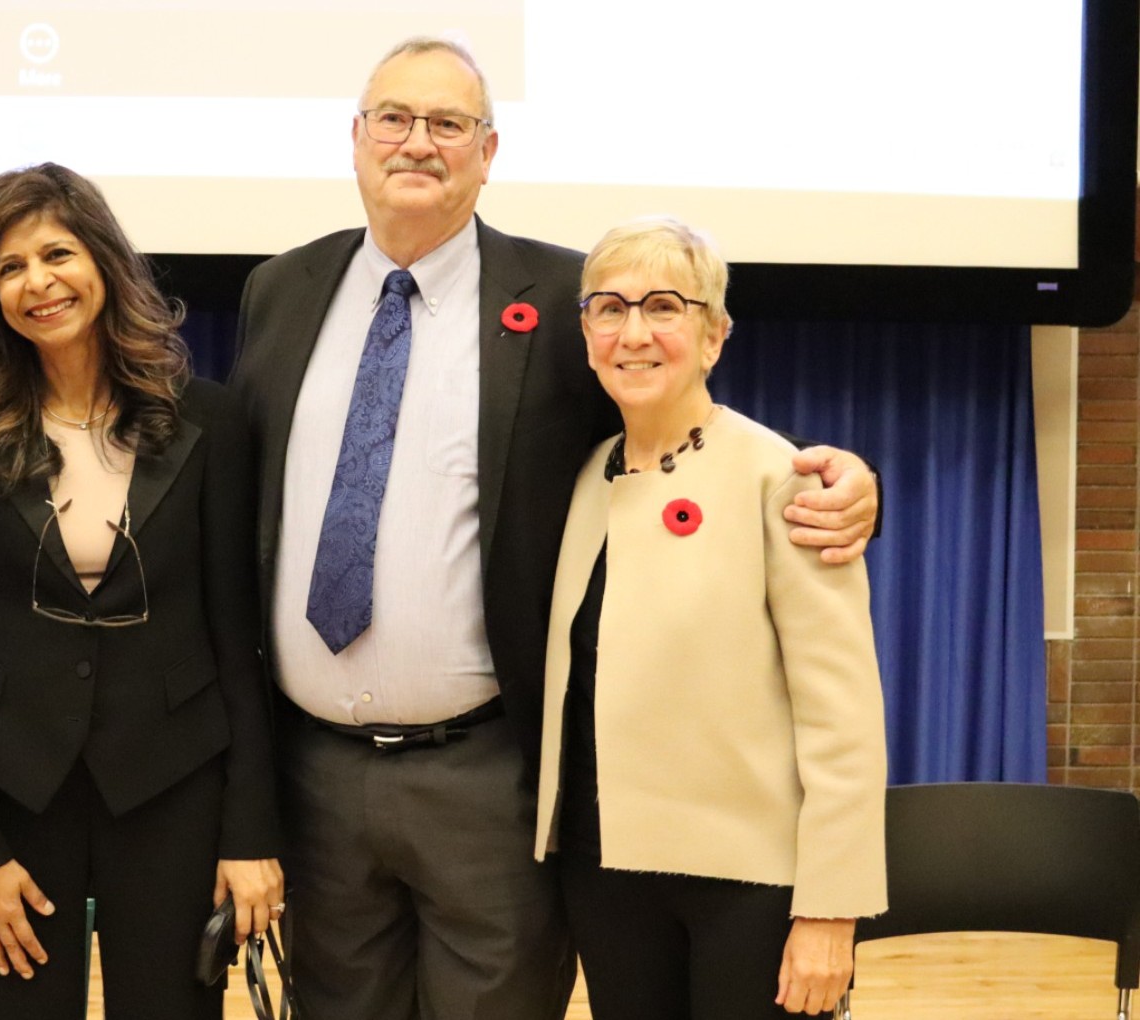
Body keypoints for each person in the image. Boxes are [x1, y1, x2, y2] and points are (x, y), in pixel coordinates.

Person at [229, 37, 880, 1020]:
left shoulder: (565, 296)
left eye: (448, 123)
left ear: (488, 151)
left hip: (488, 776)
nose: (418, 142)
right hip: (313, 773)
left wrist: (844, 474)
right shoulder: (278, 290)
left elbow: (673, 411)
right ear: (356, 138)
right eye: (395, 119)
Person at [0, 162, 282, 1020]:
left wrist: (251, 833)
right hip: (15, 794)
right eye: (10, 267)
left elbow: (239, 639)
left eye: (57, 253)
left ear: (105, 262)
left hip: (172, 788)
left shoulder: (212, 422)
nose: (38, 282)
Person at [536, 217, 886, 1018]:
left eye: (664, 306)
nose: (633, 333)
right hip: (605, 871)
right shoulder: (586, 474)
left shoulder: (782, 479)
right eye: (608, 309)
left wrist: (832, 910)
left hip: (752, 886)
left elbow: (843, 716)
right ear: (585, 332)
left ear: (715, 335)